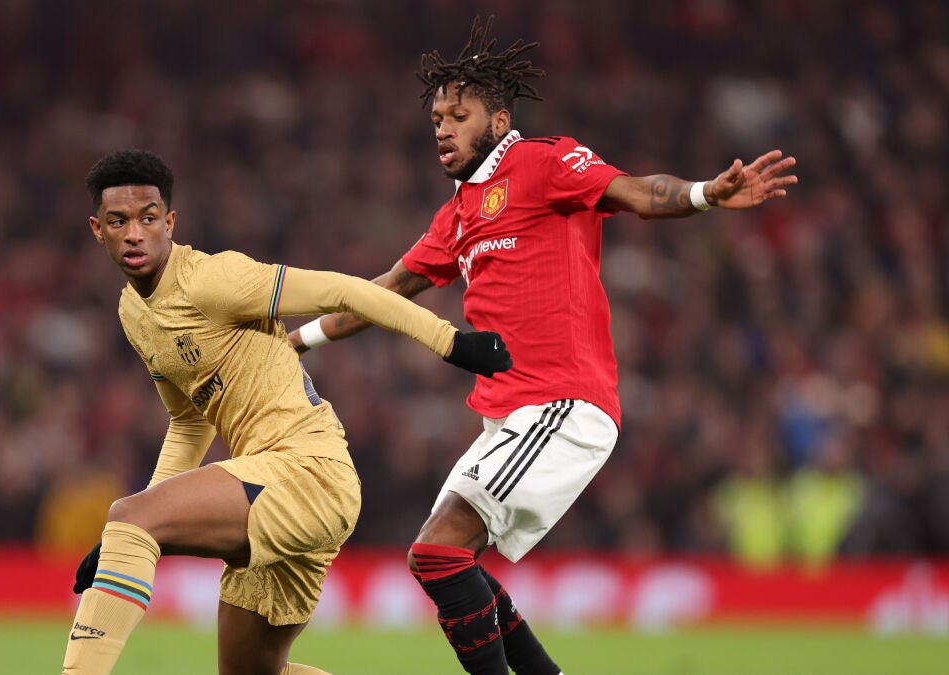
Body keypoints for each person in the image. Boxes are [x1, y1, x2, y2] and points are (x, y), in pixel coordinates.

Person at [289, 16, 798, 675]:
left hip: (563, 403)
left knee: (438, 553)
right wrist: (294, 341)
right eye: (437, 117)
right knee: (444, 560)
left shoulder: (544, 161)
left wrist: (705, 194)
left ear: (499, 120)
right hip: (510, 415)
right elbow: (382, 293)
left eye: (459, 115)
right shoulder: (457, 215)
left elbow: (639, 193)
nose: (442, 128)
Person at [62, 148, 512, 675]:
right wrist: (139, 526)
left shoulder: (213, 279)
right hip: (275, 488)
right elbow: (189, 420)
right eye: (119, 222)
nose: (135, 234)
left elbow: (343, 291)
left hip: (307, 472)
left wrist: (452, 343)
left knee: (130, 516)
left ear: (170, 222)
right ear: (98, 229)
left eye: (148, 218)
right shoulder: (133, 313)